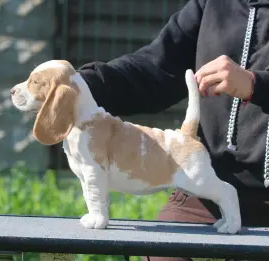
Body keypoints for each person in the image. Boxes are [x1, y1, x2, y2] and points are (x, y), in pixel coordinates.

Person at [77, 0, 269, 260]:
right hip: (205, 188)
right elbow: (155, 69)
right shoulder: (212, 4)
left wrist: (256, 84)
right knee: (159, 255)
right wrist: (82, 85)